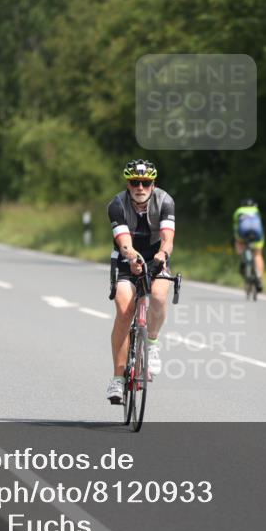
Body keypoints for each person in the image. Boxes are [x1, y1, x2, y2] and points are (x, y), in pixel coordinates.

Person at [105, 159, 176, 403]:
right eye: (135, 182)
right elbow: (124, 241)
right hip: (127, 259)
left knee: (158, 295)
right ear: (128, 184)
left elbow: (167, 238)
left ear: (153, 184)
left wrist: (162, 255)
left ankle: (152, 342)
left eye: (146, 183)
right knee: (125, 311)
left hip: (157, 257)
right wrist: (132, 257)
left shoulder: (165, 201)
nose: (140, 188)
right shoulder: (117, 205)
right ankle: (117, 379)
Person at [233, 198, 265, 292]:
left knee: (240, 246)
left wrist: (237, 240)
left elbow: (236, 227)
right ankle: (259, 278)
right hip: (257, 235)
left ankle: (243, 261)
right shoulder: (256, 211)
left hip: (243, 234)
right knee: (258, 255)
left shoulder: (238, 211)